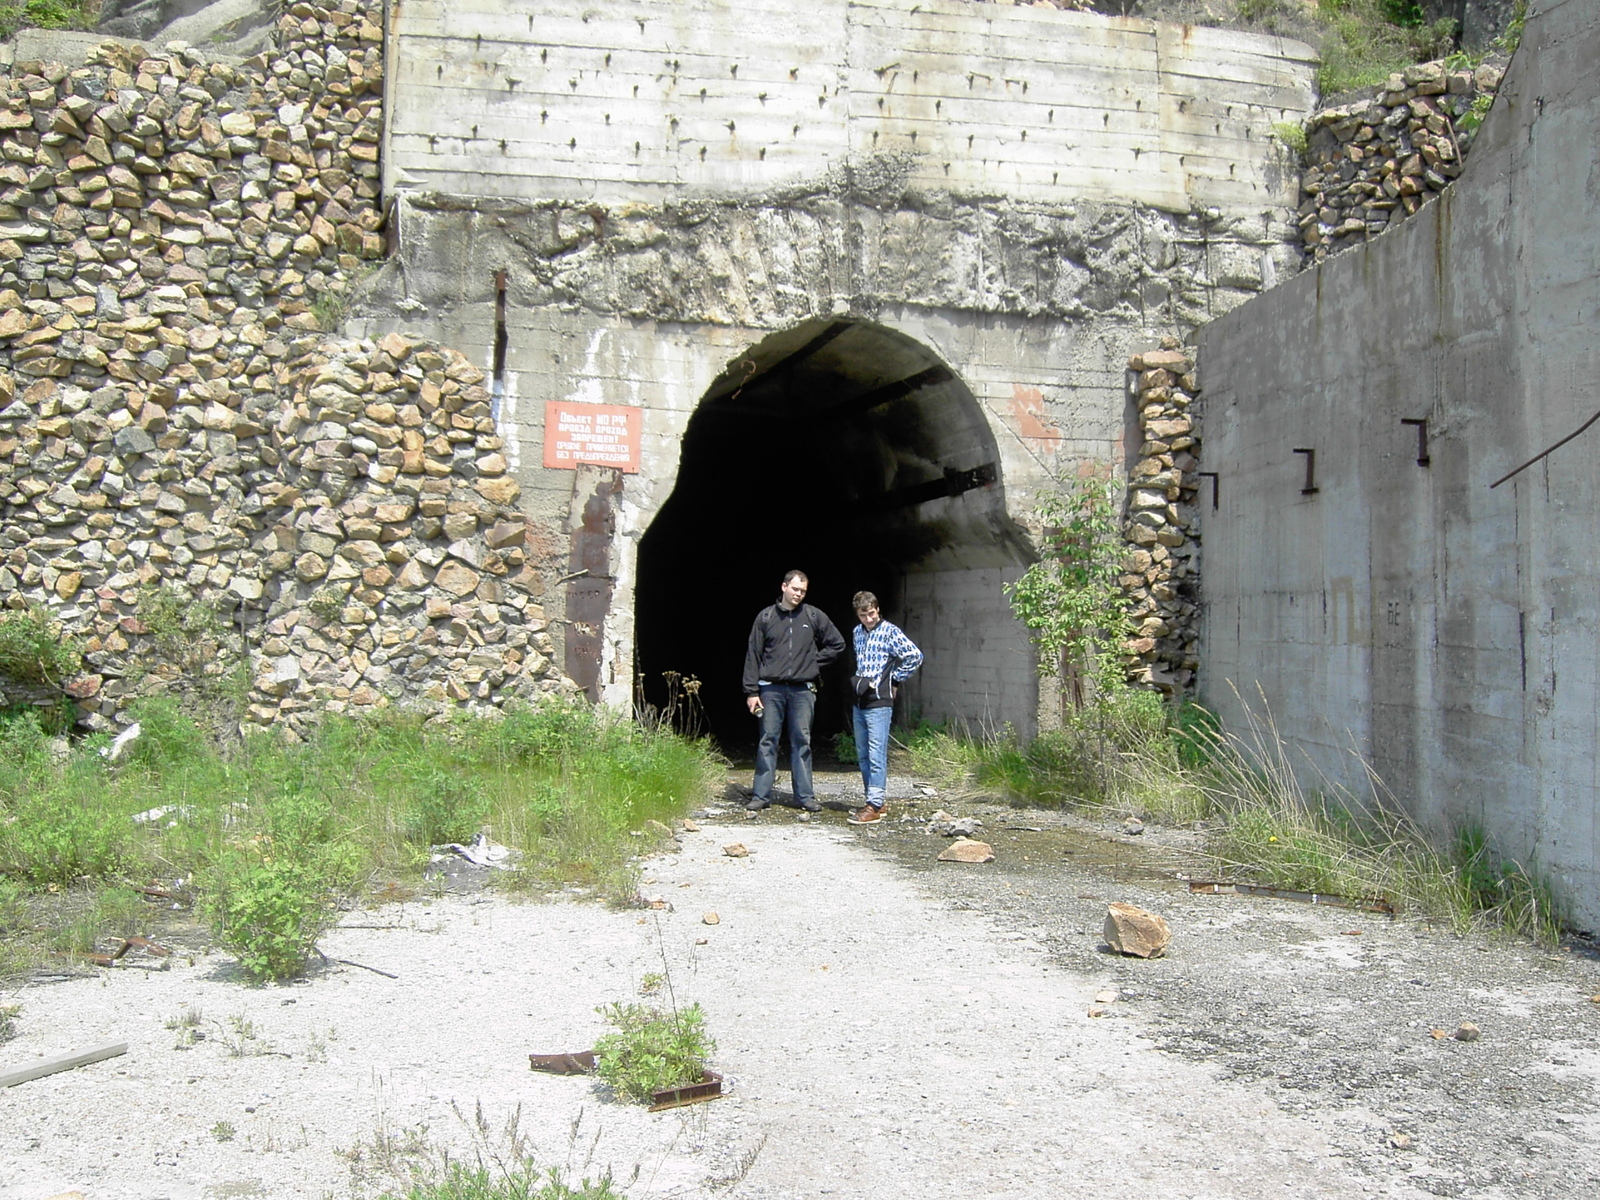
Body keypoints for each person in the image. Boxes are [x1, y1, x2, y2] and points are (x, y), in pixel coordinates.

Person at [742, 570, 845, 813]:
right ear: (784, 587)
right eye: (795, 589)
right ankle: (761, 795)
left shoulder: (813, 615)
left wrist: (812, 663)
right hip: (770, 689)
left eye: (803, 591)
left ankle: (805, 797)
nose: (799, 594)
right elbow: (753, 655)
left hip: (802, 691)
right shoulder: (766, 617)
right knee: (768, 740)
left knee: (802, 742)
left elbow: (837, 643)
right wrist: (751, 691)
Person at [845, 590, 923, 824]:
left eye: (871, 613)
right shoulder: (857, 633)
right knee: (863, 753)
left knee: (876, 752)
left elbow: (915, 656)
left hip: (880, 701)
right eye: (863, 615)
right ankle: (874, 799)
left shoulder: (889, 631)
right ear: (857, 615)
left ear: (878, 610)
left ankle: (874, 805)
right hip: (860, 698)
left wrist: (895, 679)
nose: (869, 619)